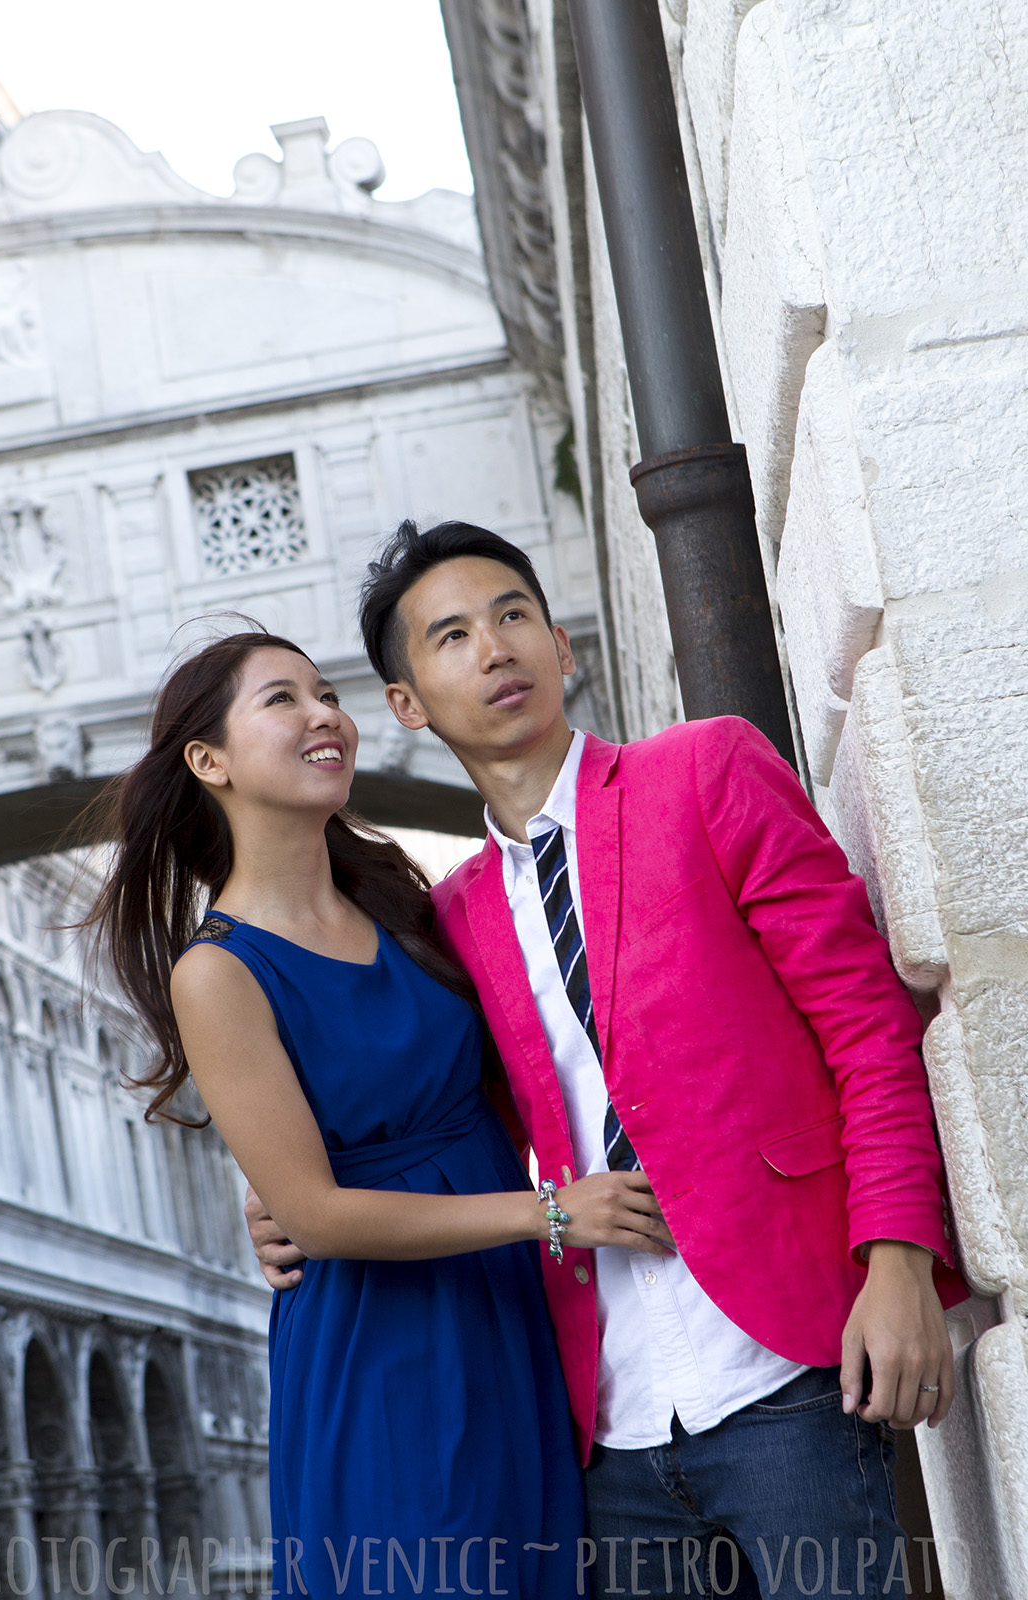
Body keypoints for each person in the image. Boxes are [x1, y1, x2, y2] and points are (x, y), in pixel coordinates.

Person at [246, 522, 968, 1598]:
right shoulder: (449, 924)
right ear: (406, 704)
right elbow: (430, 1115)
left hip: (787, 1370)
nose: (495, 648)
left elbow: (864, 1023)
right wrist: (291, 1199)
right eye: (451, 635)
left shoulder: (704, 772)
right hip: (605, 1426)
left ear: (563, 645)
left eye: (513, 615)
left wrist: (900, 1261)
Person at [86, 628, 673, 1599]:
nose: (324, 715)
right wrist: (551, 1212)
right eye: (283, 699)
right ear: (209, 760)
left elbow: (517, 1076)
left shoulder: (400, 896)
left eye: (327, 694)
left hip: (510, 1309)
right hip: (381, 1347)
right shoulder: (217, 971)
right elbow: (313, 1214)